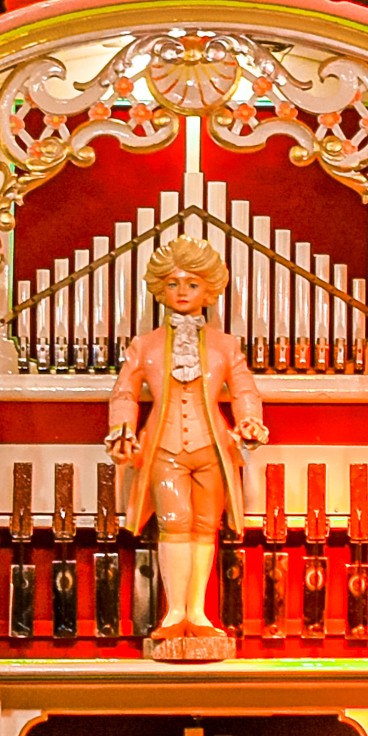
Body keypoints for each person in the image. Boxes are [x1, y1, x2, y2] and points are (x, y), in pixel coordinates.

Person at [101, 236, 268, 662]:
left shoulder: (227, 346)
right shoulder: (145, 345)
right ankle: (175, 612)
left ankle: (199, 612)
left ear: (208, 290)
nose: (181, 292)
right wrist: (123, 428)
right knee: (174, 523)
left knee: (205, 526)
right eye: (174, 283)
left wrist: (248, 420)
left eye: (191, 284)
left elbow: (244, 390)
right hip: (164, 446)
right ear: (160, 288)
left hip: (213, 447)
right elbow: (124, 393)